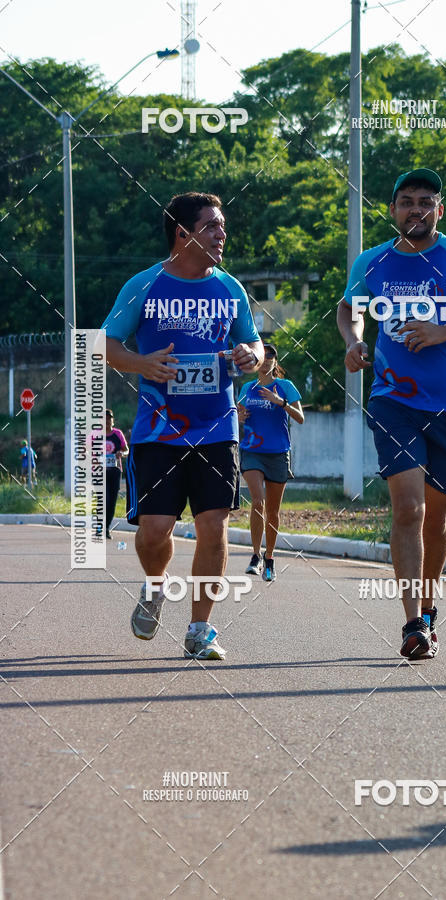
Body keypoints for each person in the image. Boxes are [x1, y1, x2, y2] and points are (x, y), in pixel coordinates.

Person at [337, 168, 446, 659]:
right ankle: (412, 623)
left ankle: (430, 608)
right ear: (393, 210)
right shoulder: (372, 262)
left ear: (440, 210)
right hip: (393, 401)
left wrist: (443, 331)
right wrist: (354, 342)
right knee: (409, 508)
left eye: (425, 201)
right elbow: (349, 307)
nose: (415, 209)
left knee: (436, 515)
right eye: (406, 201)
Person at [102, 191, 263, 660]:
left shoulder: (229, 289)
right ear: (183, 232)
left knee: (213, 525)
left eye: (223, 226)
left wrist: (247, 357)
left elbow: (254, 349)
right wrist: (142, 364)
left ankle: (200, 629)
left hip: (217, 428)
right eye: (212, 226)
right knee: (155, 531)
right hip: (158, 432)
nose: (221, 234)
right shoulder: (144, 285)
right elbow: (105, 345)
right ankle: (155, 586)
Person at [237, 343, 304, 581]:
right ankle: (255, 555)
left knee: (273, 512)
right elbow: (238, 415)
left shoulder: (285, 386)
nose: (266, 362)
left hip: (277, 453)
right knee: (258, 501)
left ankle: (270, 558)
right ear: (257, 361)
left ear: (275, 363)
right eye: (263, 357)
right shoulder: (247, 387)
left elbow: (300, 418)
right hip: (252, 451)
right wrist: (239, 416)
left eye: (271, 358)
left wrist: (280, 402)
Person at [104, 409, 128, 539]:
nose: (106, 421)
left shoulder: (118, 434)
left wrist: (121, 454)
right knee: (103, 499)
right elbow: (86, 449)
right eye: (104, 419)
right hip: (99, 471)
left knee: (112, 500)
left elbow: (127, 450)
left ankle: (106, 528)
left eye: (109, 418)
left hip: (115, 470)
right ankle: (99, 527)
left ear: (112, 420)